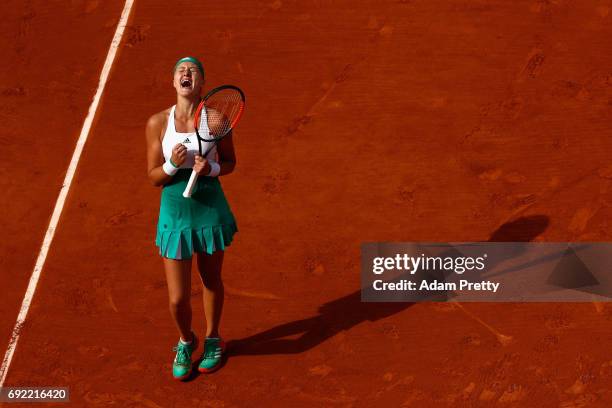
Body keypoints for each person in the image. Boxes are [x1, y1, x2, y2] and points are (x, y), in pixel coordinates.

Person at [145, 56, 238, 381]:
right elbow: (154, 177)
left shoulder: (216, 120)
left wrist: (209, 168)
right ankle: (186, 340)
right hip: (175, 211)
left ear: (201, 83)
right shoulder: (157, 123)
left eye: (193, 70)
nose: (186, 74)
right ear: (174, 82)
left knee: (211, 280)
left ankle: (213, 339)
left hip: (209, 207)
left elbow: (229, 162)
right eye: (180, 71)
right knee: (177, 298)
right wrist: (172, 164)